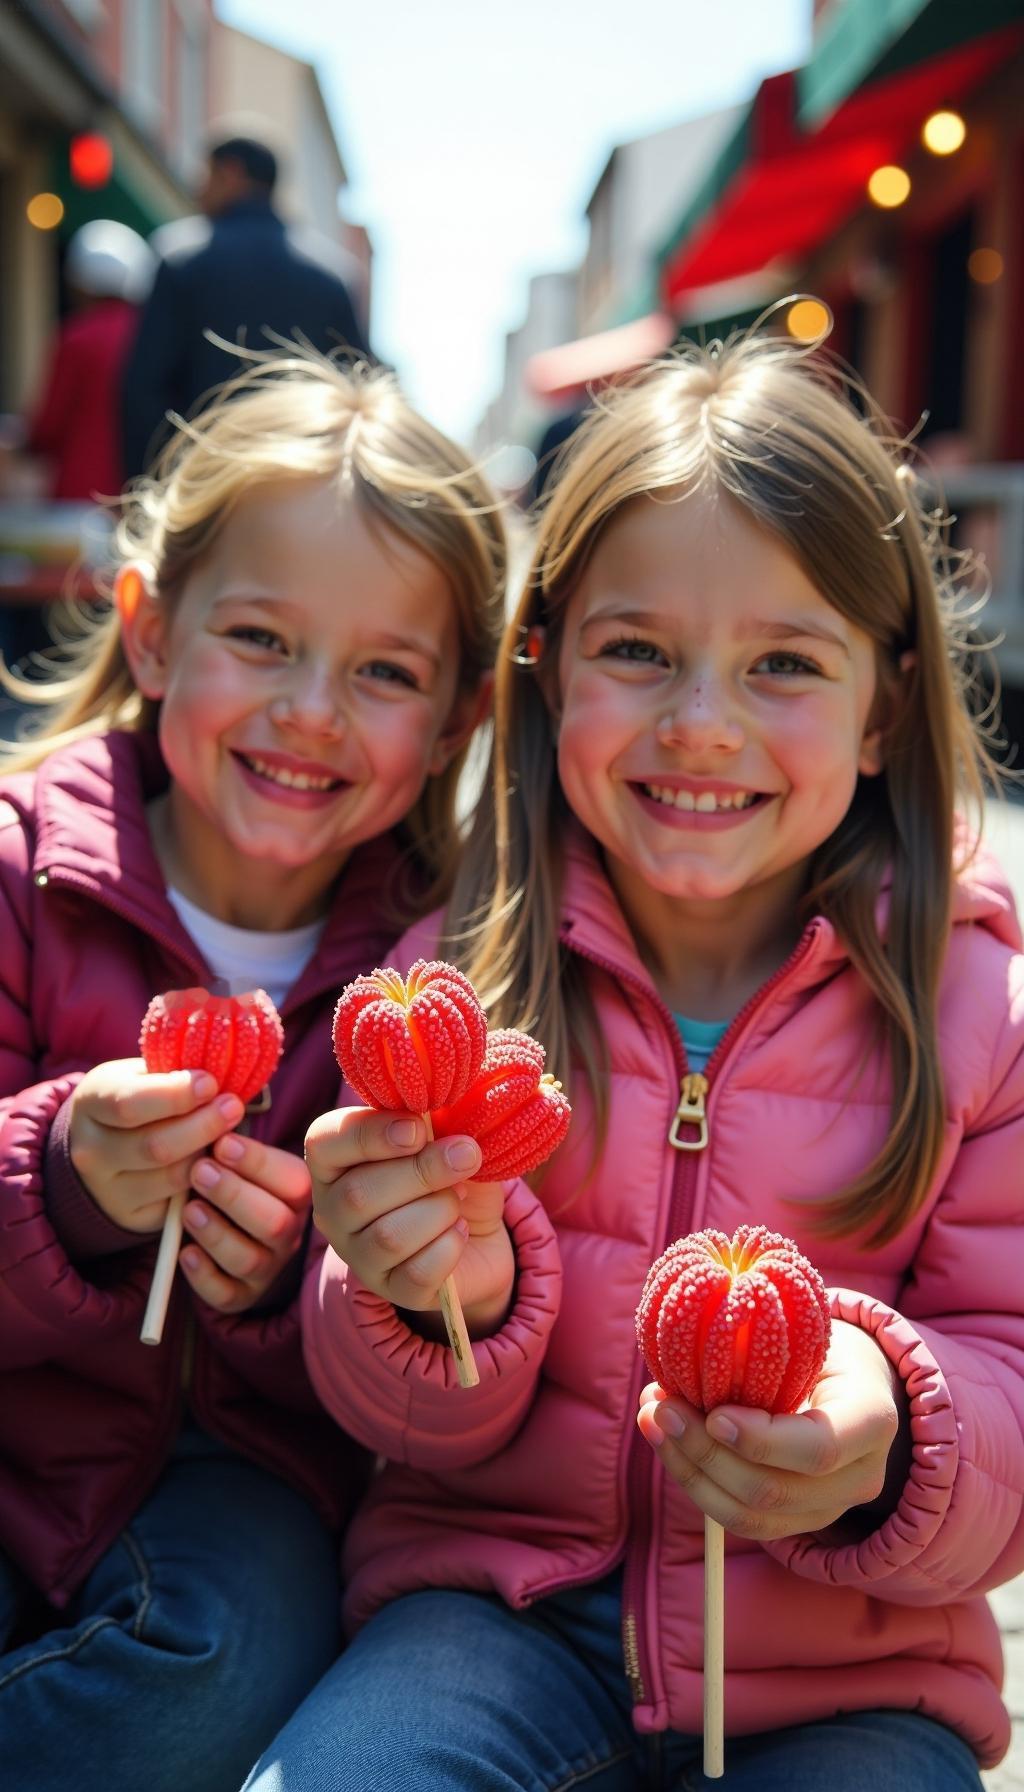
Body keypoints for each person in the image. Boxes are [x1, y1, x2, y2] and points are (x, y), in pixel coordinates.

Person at [260, 327, 1023, 1791]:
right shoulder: (448, 989)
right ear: (546, 669)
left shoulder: (985, 1017)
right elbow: (385, 1414)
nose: (701, 725)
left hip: (855, 1681)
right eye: (637, 652)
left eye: (784, 662)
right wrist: (429, 1297)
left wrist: (886, 1441)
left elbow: (1013, 1380)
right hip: (485, 1617)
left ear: (881, 706)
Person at [0, 350, 505, 1792]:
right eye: (262, 639)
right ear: (152, 632)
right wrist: (65, 1184)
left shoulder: (438, 969)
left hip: (250, 1478)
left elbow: (419, 1369)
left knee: (210, 1678)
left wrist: (300, 1284)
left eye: (385, 672)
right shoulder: (23, 874)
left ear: (457, 721)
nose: (311, 710)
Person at [121, 134, 373, 478]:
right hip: (300, 477)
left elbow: (145, 390)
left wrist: (153, 482)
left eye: (206, 175)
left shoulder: (182, 262)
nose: (198, 188)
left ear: (231, 173)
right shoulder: (332, 276)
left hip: (201, 477)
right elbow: (358, 385)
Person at [26, 218, 155, 499]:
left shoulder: (78, 338)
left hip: (82, 491)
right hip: (145, 489)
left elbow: (48, 427)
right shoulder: (155, 335)